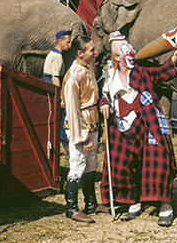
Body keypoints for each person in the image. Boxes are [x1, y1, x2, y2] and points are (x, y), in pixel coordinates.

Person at [99, 31, 177, 227]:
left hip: (147, 123)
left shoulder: (141, 71)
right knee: (123, 165)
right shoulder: (110, 76)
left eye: (129, 48)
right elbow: (104, 94)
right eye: (124, 50)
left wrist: (175, 56)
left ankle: (165, 206)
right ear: (116, 57)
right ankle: (133, 201)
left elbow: (161, 73)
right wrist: (104, 103)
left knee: (158, 161)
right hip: (121, 125)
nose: (130, 51)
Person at [60, 35, 108, 223]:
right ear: (80, 53)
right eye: (91, 50)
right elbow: (72, 110)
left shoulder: (87, 68)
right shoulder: (74, 76)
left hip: (92, 121)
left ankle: (91, 204)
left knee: (91, 164)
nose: (95, 53)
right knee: (78, 164)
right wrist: (83, 137)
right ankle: (71, 208)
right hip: (80, 126)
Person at [43, 30, 72, 151]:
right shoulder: (57, 56)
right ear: (59, 41)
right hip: (52, 86)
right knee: (61, 118)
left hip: (50, 84)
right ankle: (66, 145)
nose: (69, 45)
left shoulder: (54, 54)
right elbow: (55, 79)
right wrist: (61, 98)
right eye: (67, 42)